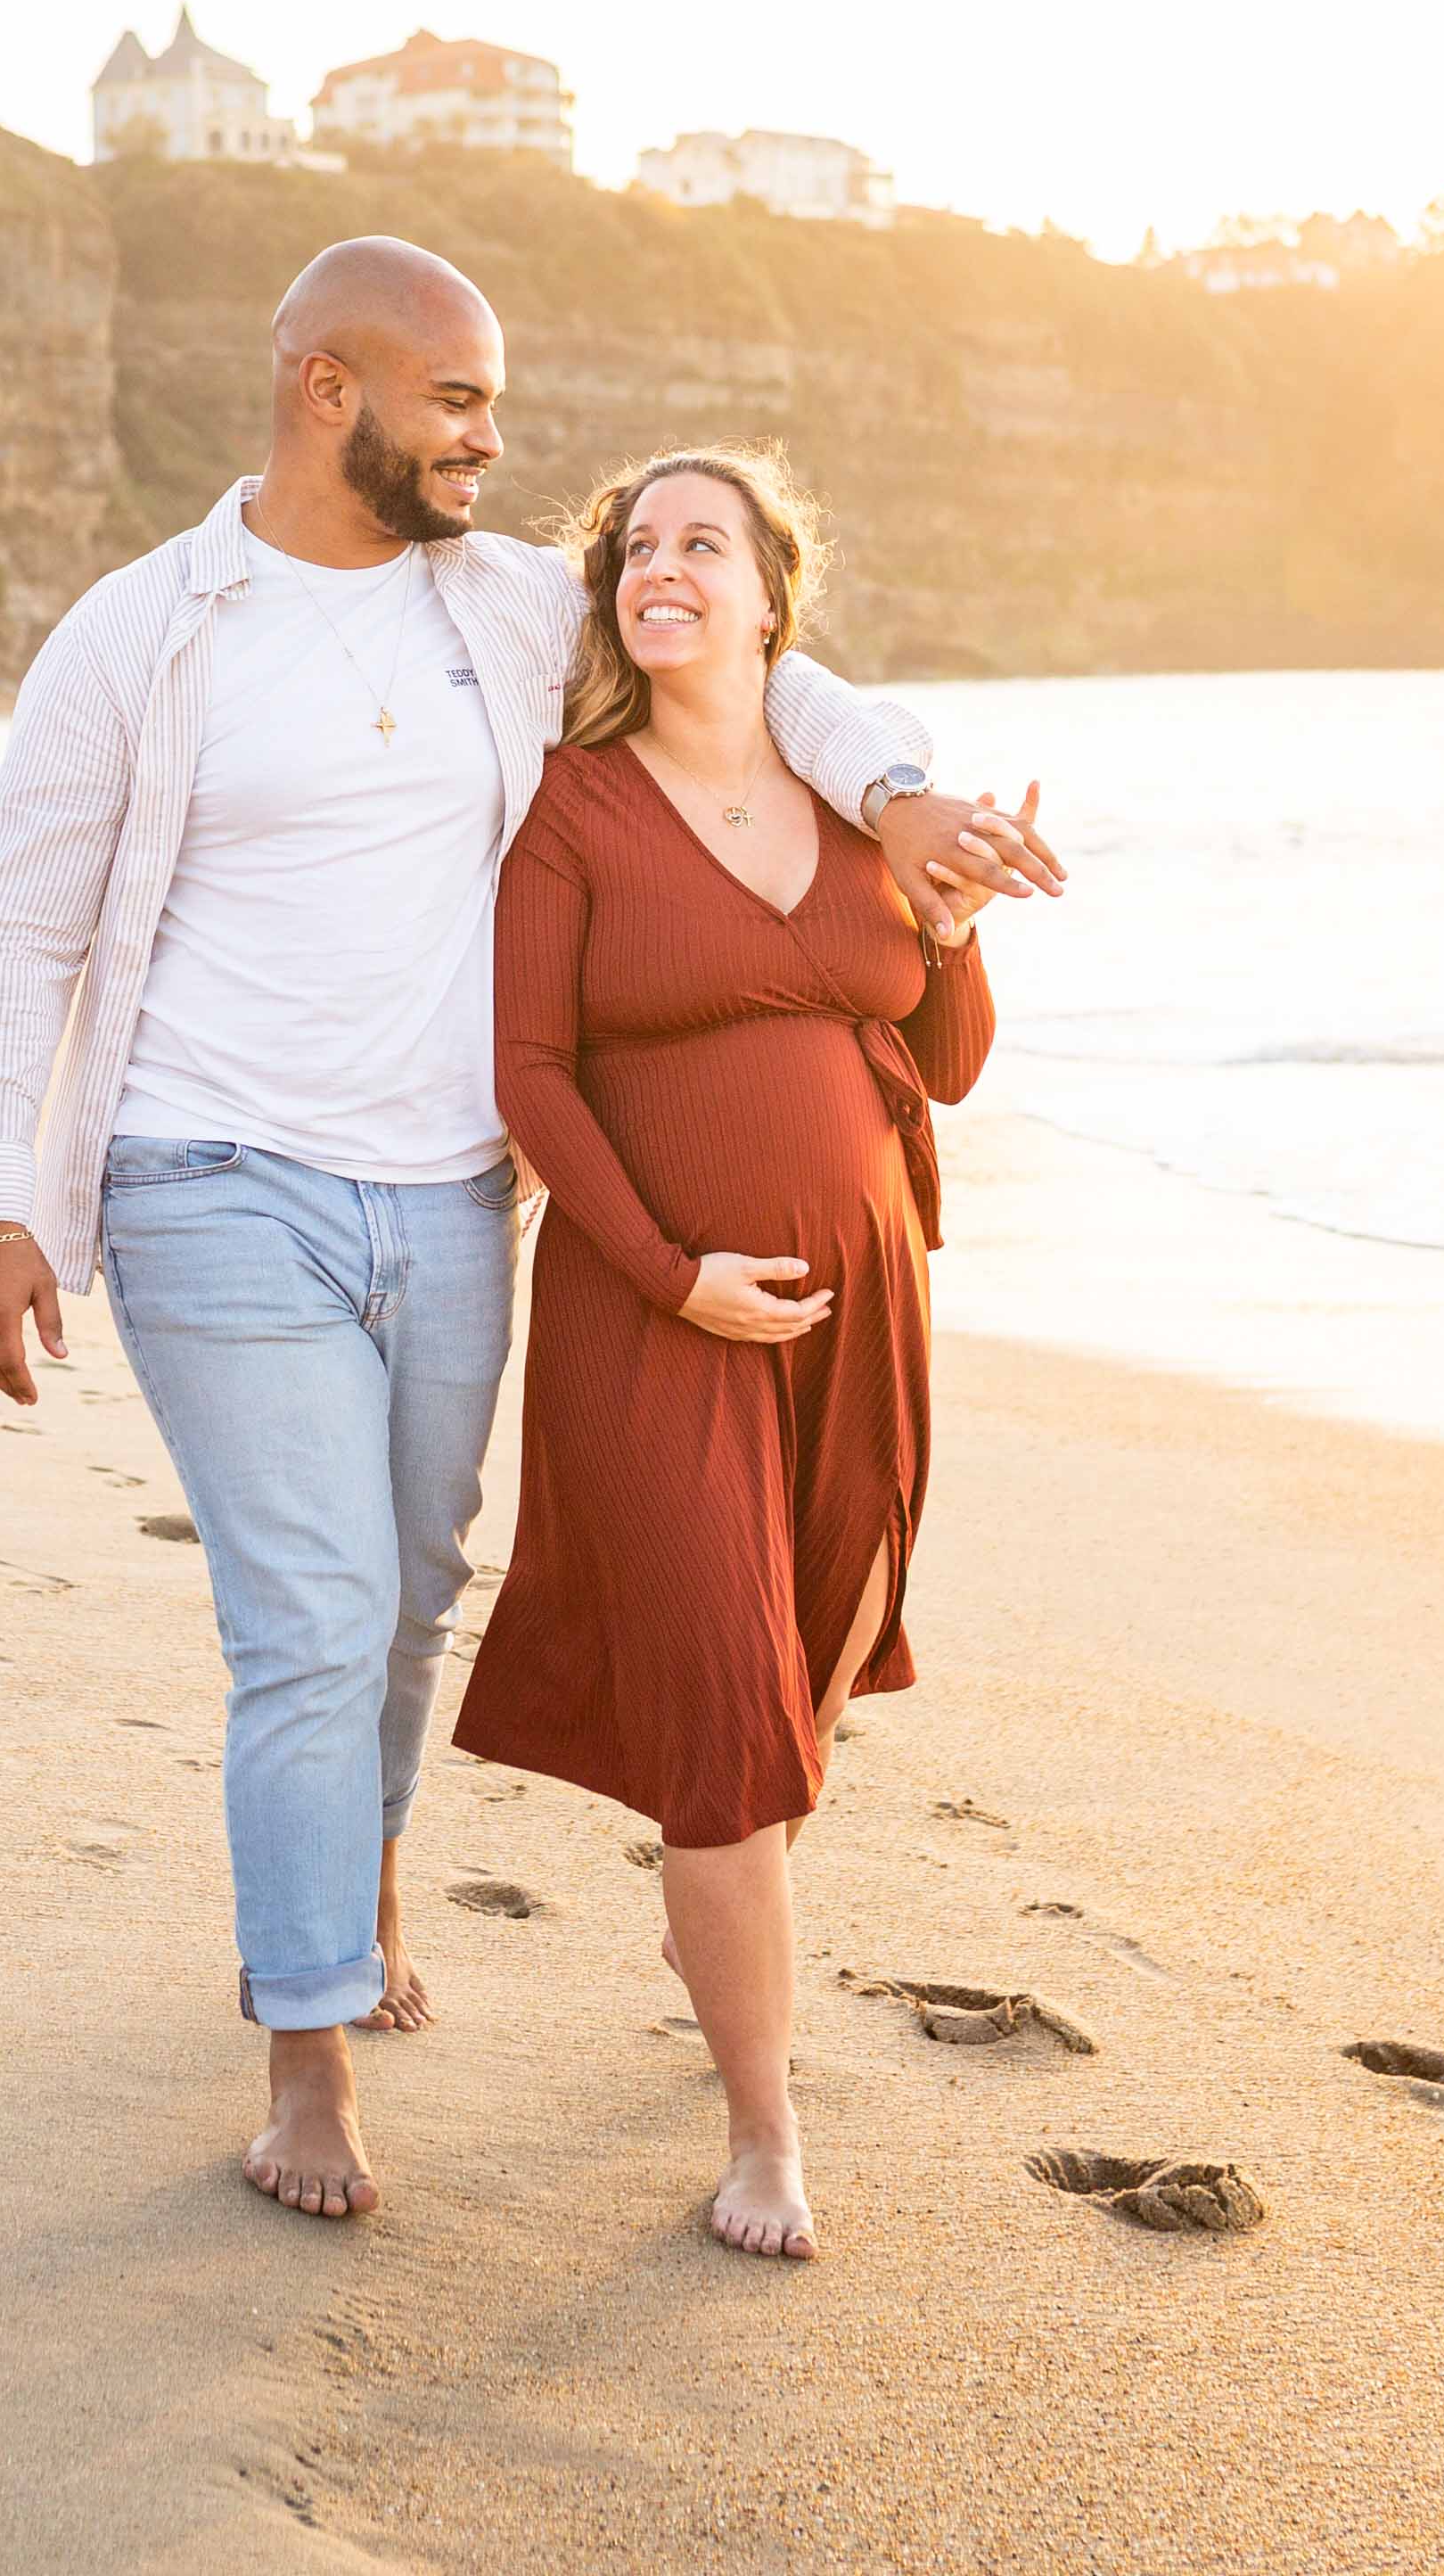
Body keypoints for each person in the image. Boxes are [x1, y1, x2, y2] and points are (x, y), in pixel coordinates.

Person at [0, 239, 1060, 2224]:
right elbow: (19, 913)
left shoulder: (508, 607)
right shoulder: (143, 633)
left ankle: (355, 1888)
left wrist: (893, 798)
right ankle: (307, 2055)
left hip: (447, 1194)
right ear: (328, 390)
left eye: (494, 405)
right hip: (208, 1177)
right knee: (312, 1616)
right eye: (456, 402)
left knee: (412, 1593)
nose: (489, 442)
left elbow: (756, 660)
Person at [453, 446, 1021, 2260]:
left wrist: (954, 936)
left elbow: (944, 1063)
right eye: (638, 546)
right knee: (723, 1714)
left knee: (810, 1688)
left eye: (705, 543)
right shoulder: (572, 806)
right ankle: (764, 2133)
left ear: (775, 600)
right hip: (654, 1323)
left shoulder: (863, 812)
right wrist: (668, 1271)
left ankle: (722, 1917)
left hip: (867, 1320)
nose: (662, 568)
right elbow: (530, 1070)